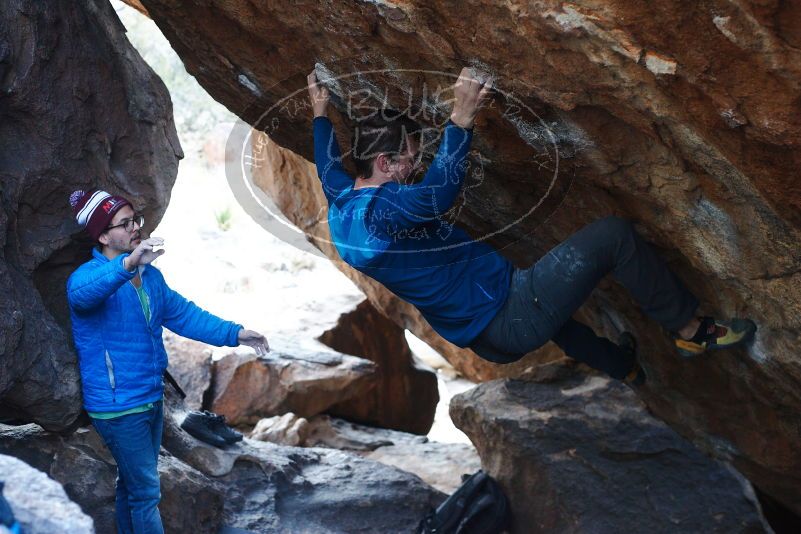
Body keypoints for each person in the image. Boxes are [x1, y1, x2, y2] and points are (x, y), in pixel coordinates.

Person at [306, 67, 756, 385]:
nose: (415, 166)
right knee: (614, 236)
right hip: (509, 314)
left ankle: (623, 367)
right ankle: (690, 331)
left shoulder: (342, 200)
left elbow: (326, 163)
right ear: (384, 162)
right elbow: (437, 194)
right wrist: (461, 116)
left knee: (552, 311)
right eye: (409, 158)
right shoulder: (385, 210)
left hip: (486, 336)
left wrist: (320, 113)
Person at [66, 188, 268, 534]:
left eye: (135, 220)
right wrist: (128, 264)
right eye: (124, 223)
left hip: (149, 398)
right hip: (118, 407)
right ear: (103, 236)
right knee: (146, 492)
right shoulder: (86, 277)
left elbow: (186, 315)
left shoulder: (151, 278)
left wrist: (236, 333)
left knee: (131, 486)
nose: (135, 228)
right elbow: (83, 295)